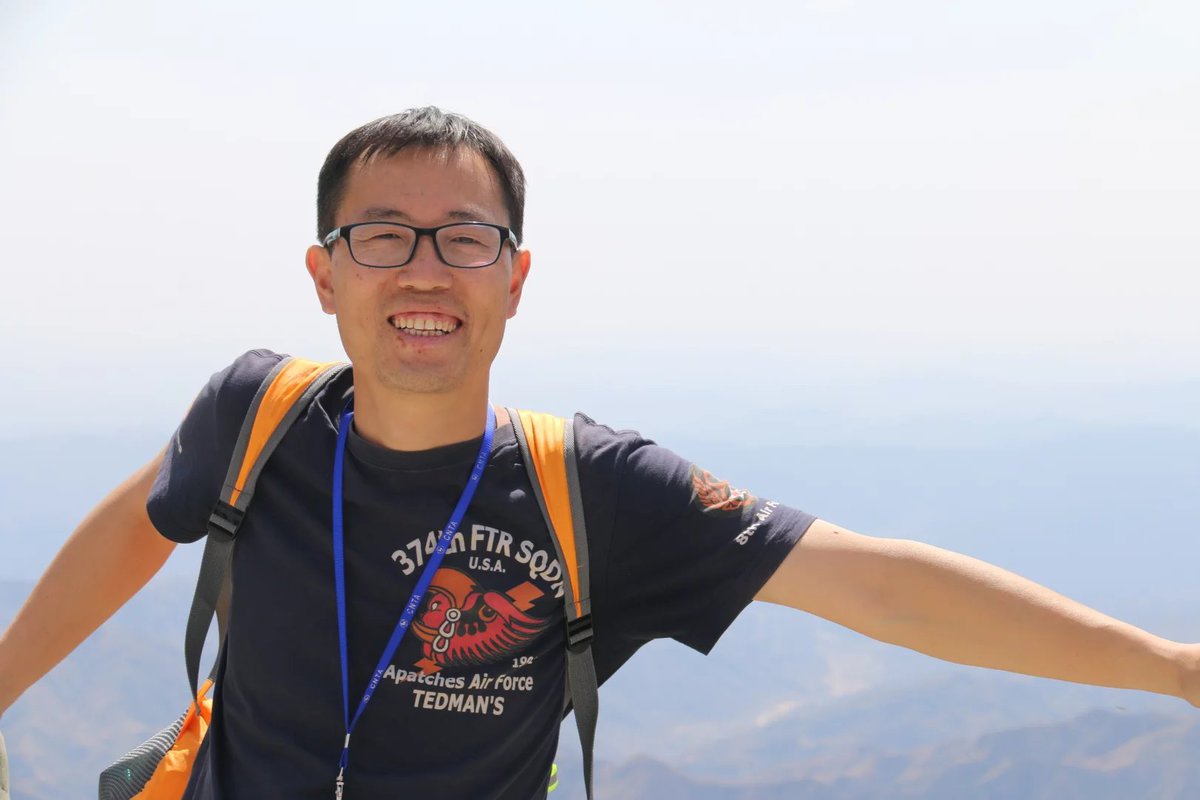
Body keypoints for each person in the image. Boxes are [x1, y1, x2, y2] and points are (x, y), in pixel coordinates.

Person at [0, 107, 1196, 799]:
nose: (424, 270)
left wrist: (1170, 665)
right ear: (324, 274)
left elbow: (878, 582)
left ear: (516, 277)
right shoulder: (255, 414)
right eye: (382, 235)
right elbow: (138, 523)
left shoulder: (594, 488)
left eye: (465, 238)